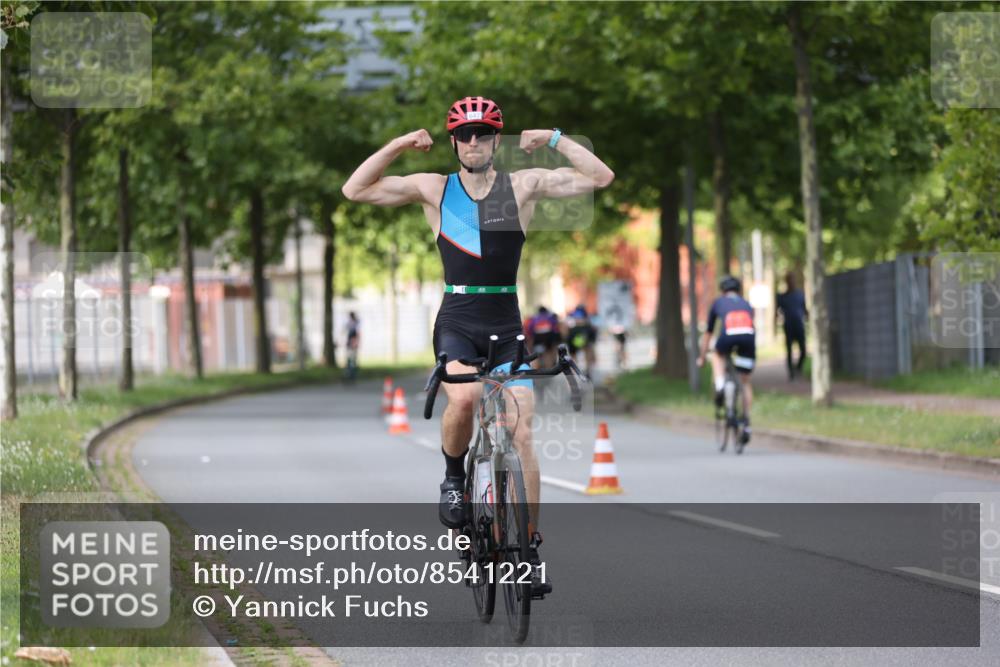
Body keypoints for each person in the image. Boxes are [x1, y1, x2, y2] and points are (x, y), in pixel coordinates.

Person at [342, 96, 614, 594]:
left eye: (483, 134)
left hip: (506, 321)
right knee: (464, 398)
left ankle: (528, 552)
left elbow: (601, 178)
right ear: (453, 141)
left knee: (522, 432)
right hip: (458, 319)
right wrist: (402, 143)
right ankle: (452, 477)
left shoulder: (523, 183)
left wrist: (553, 139)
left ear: (495, 139)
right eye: (464, 135)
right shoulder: (434, 188)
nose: (473, 142)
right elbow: (354, 189)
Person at [697, 275, 756, 445]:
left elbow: (708, 333)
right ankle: (746, 423)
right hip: (747, 338)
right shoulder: (746, 304)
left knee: (717, 354)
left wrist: (701, 358)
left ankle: (721, 384)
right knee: (745, 382)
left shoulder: (718, 303)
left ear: (723, 290)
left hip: (728, 337)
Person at [775, 272, 808, 380]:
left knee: (803, 350)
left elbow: (805, 309)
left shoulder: (800, 294)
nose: (791, 282)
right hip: (788, 326)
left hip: (799, 325)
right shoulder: (782, 296)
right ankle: (791, 373)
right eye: (789, 280)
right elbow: (776, 312)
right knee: (789, 351)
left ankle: (798, 369)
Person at [565, 304, 596, 379]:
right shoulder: (586, 317)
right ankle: (587, 371)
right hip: (582, 333)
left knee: (574, 354)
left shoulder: (573, 314)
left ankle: (576, 371)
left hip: (575, 334)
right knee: (588, 350)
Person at [344, 311, 360, 382]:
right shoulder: (352, 324)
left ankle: (352, 375)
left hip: (352, 345)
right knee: (350, 360)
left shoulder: (355, 324)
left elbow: (356, 335)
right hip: (350, 344)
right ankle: (350, 374)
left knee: (351, 360)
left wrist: (354, 343)